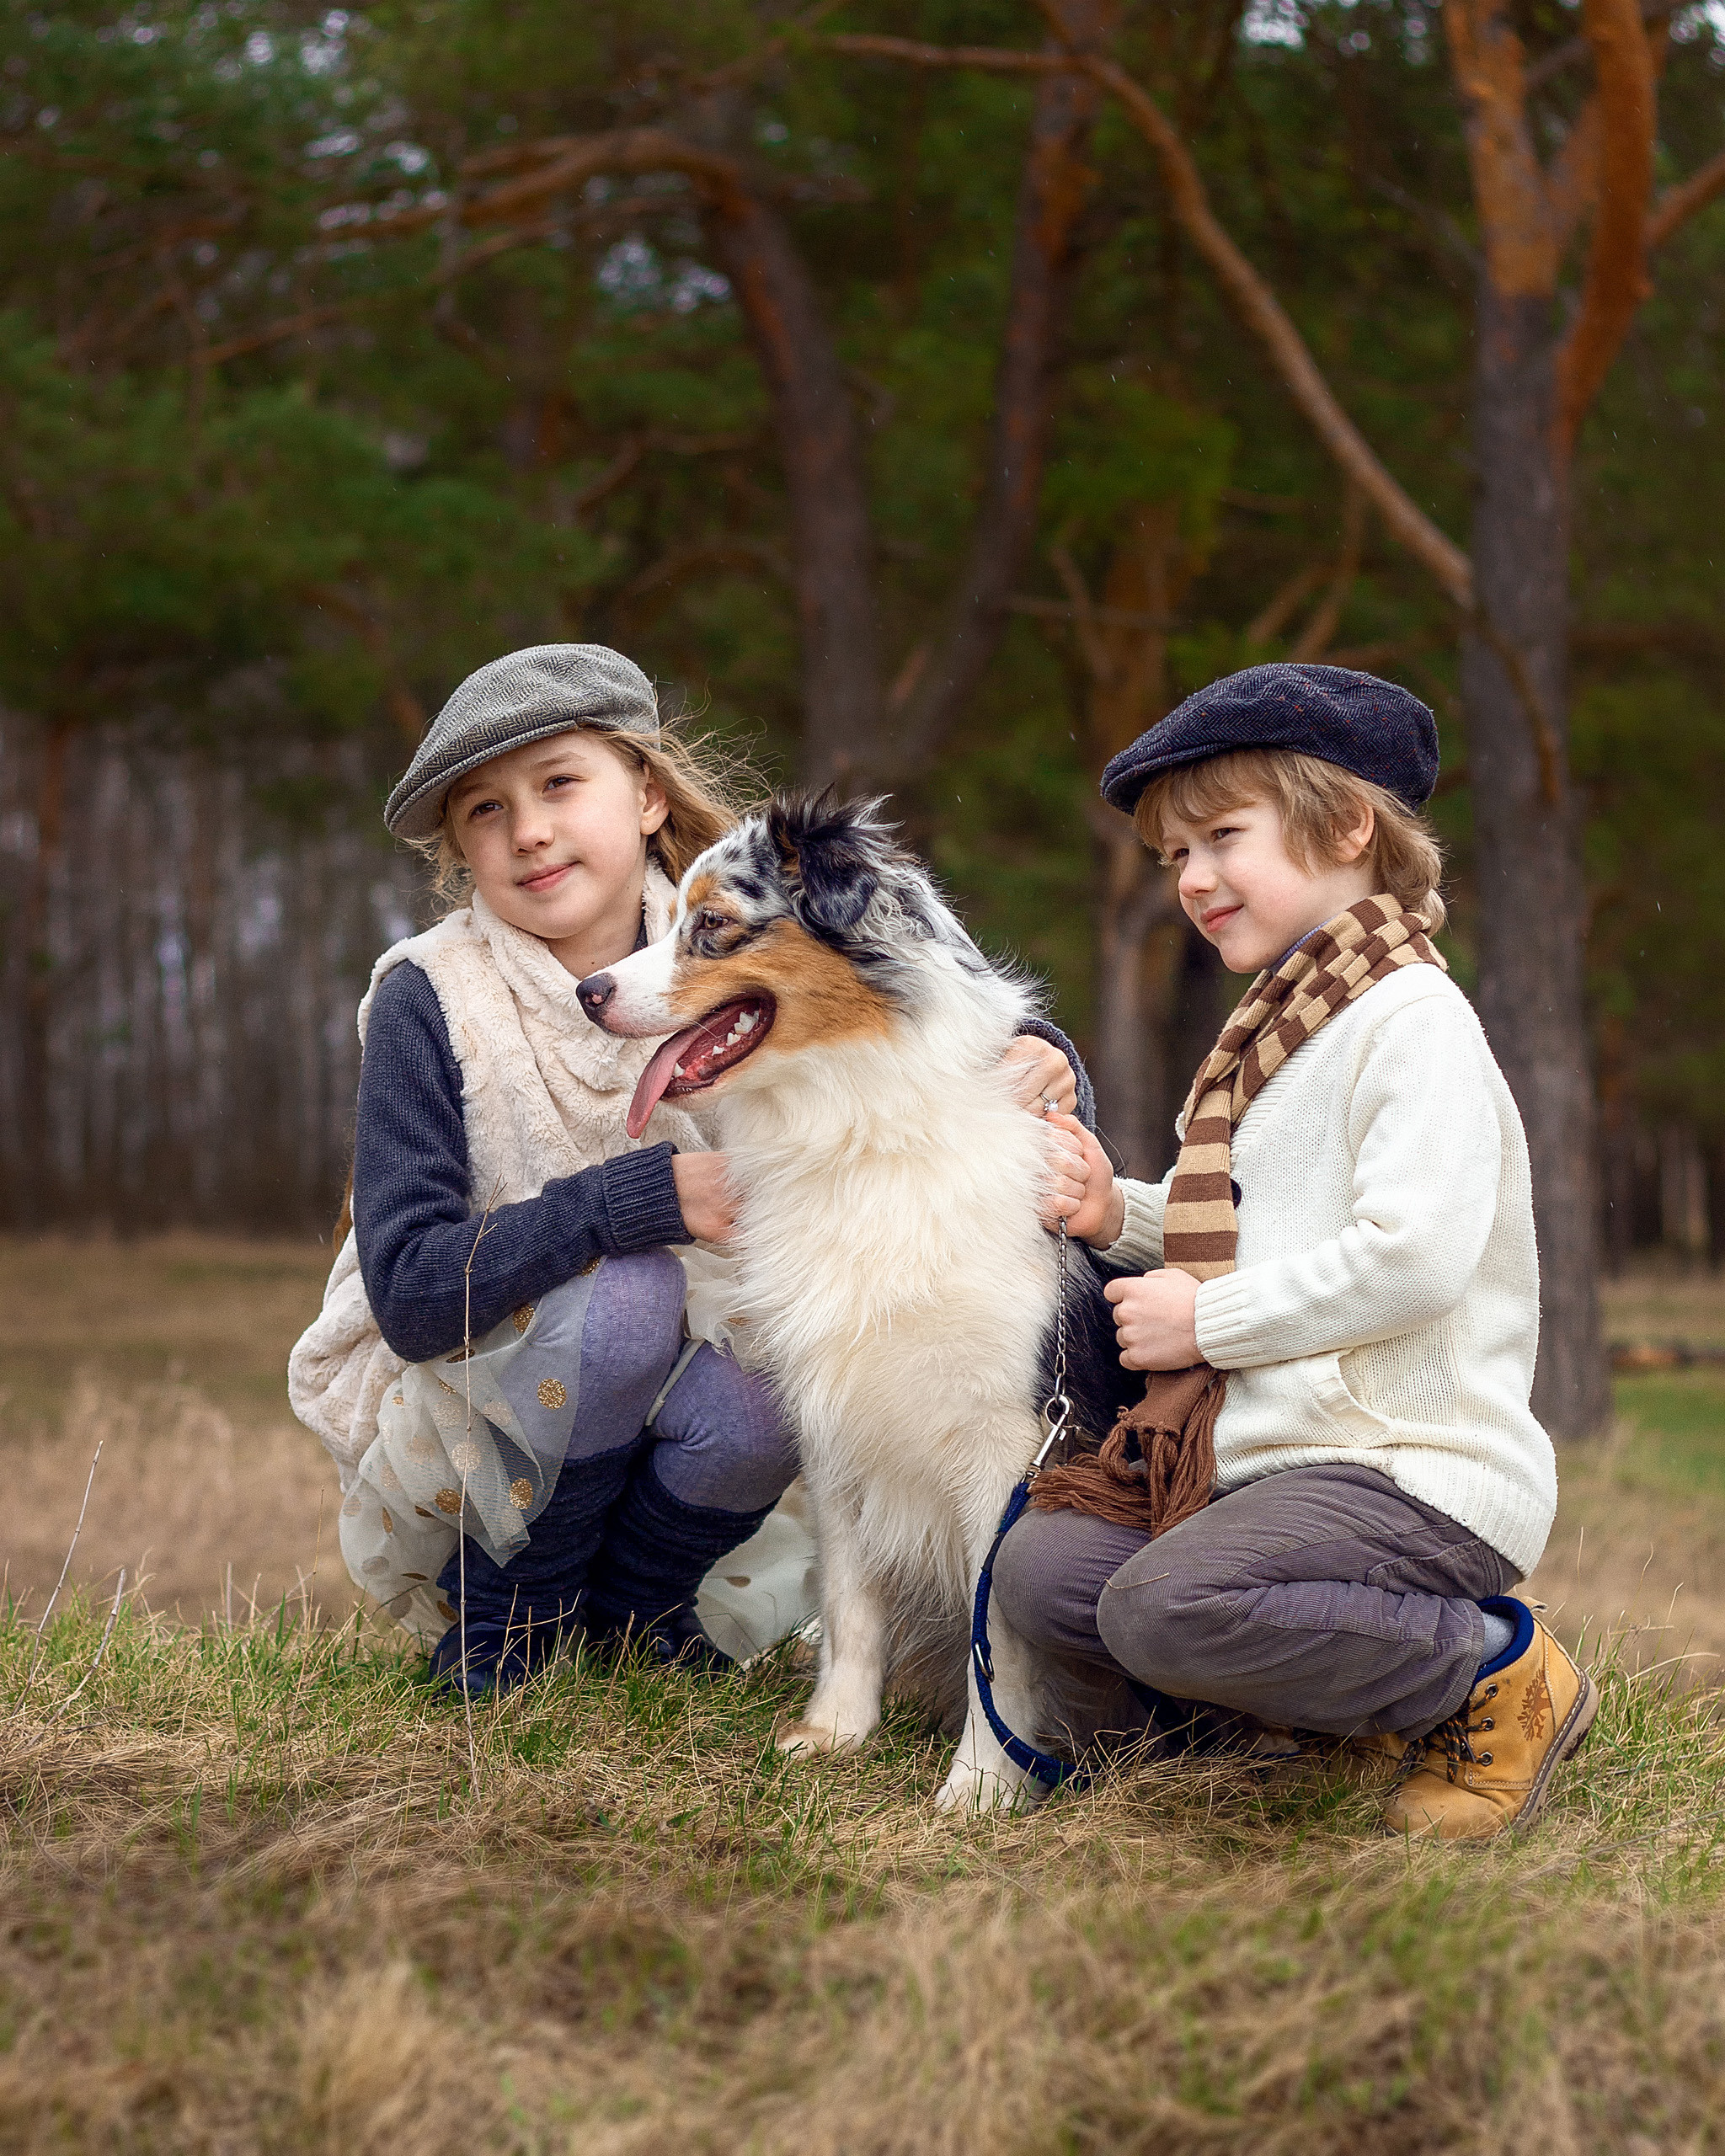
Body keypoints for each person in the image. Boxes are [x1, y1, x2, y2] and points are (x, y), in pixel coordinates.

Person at [288, 642, 1091, 1695]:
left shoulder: (746, 930)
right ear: (457, 850)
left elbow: (911, 1014)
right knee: (629, 1294)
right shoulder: (430, 999)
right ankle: (512, 1620)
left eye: (560, 784)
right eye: (484, 810)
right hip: (475, 1424)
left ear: (648, 797)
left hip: (673, 1419)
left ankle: (636, 1615)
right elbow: (413, 1295)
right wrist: (639, 1201)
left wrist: (1046, 1062)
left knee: (784, 1352)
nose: (528, 829)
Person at [1001, 661, 1594, 1840]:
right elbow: (1261, 1229)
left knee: (1166, 1608)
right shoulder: (1282, 1031)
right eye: (1176, 856)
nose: (1195, 878)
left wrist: (1203, 1326)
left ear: (1347, 823)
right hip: (1279, 1465)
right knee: (1045, 1577)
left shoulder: (1411, 1024)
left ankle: (1492, 1673)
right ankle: (1288, 1723)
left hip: (1405, 1465)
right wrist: (1111, 1211)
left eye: (1222, 836)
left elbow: (1411, 1258)